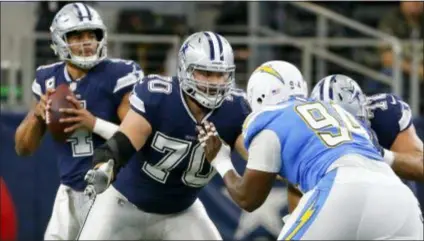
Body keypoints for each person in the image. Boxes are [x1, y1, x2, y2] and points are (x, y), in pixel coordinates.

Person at [198, 60, 423, 239]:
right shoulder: (337, 110)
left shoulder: (267, 121)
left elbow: (248, 199)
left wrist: (221, 160)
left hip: (340, 190)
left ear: (258, 97)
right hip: (398, 197)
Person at [78, 31, 251, 240]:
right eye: (205, 73)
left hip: (182, 212)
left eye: (220, 74)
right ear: (185, 70)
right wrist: (106, 165)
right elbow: (122, 143)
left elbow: (261, 158)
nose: (214, 82)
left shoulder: (236, 109)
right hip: (124, 205)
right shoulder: (160, 97)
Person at [14, 3, 143, 240]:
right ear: (60, 41)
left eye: (91, 35)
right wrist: (36, 115)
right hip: (69, 190)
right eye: (77, 36)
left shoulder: (119, 74)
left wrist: (93, 123)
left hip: (114, 192)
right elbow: (23, 148)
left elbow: (139, 139)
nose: (86, 43)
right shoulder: (47, 78)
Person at [311, 74, 423, 182]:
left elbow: (420, 165)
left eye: (351, 122)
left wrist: (381, 155)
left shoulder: (385, 114)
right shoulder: (305, 135)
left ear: (365, 109)